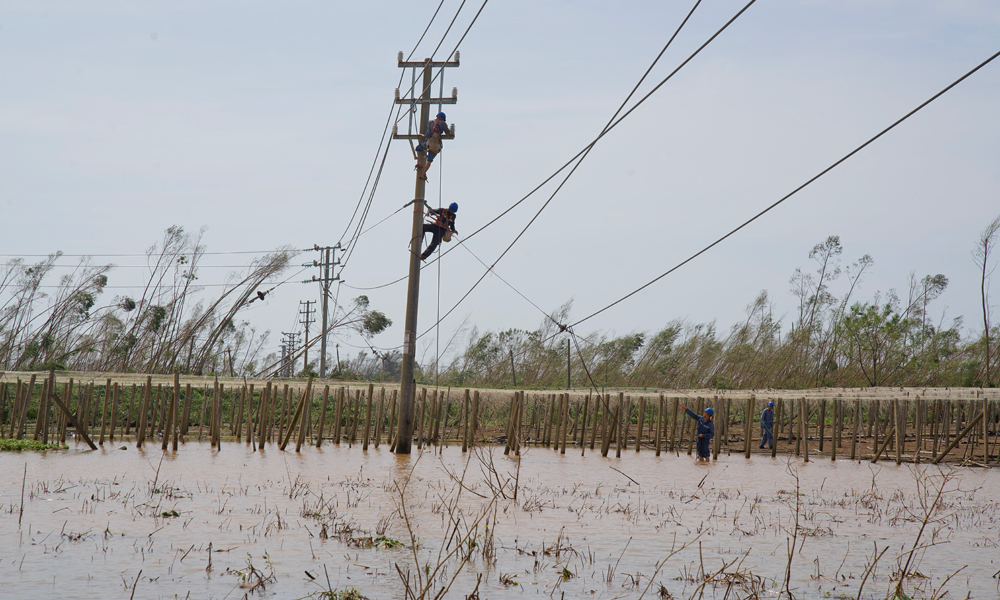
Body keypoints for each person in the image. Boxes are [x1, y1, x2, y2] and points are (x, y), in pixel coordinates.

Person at [415, 112, 450, 180]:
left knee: (418, 148)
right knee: (429, 160)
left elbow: (427, 133)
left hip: (427, 142)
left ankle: (421, 163)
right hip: (435, 144)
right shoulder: (443, 123)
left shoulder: (430, 122)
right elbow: (448, 133)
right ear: (443, 118)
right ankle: (423, 174)